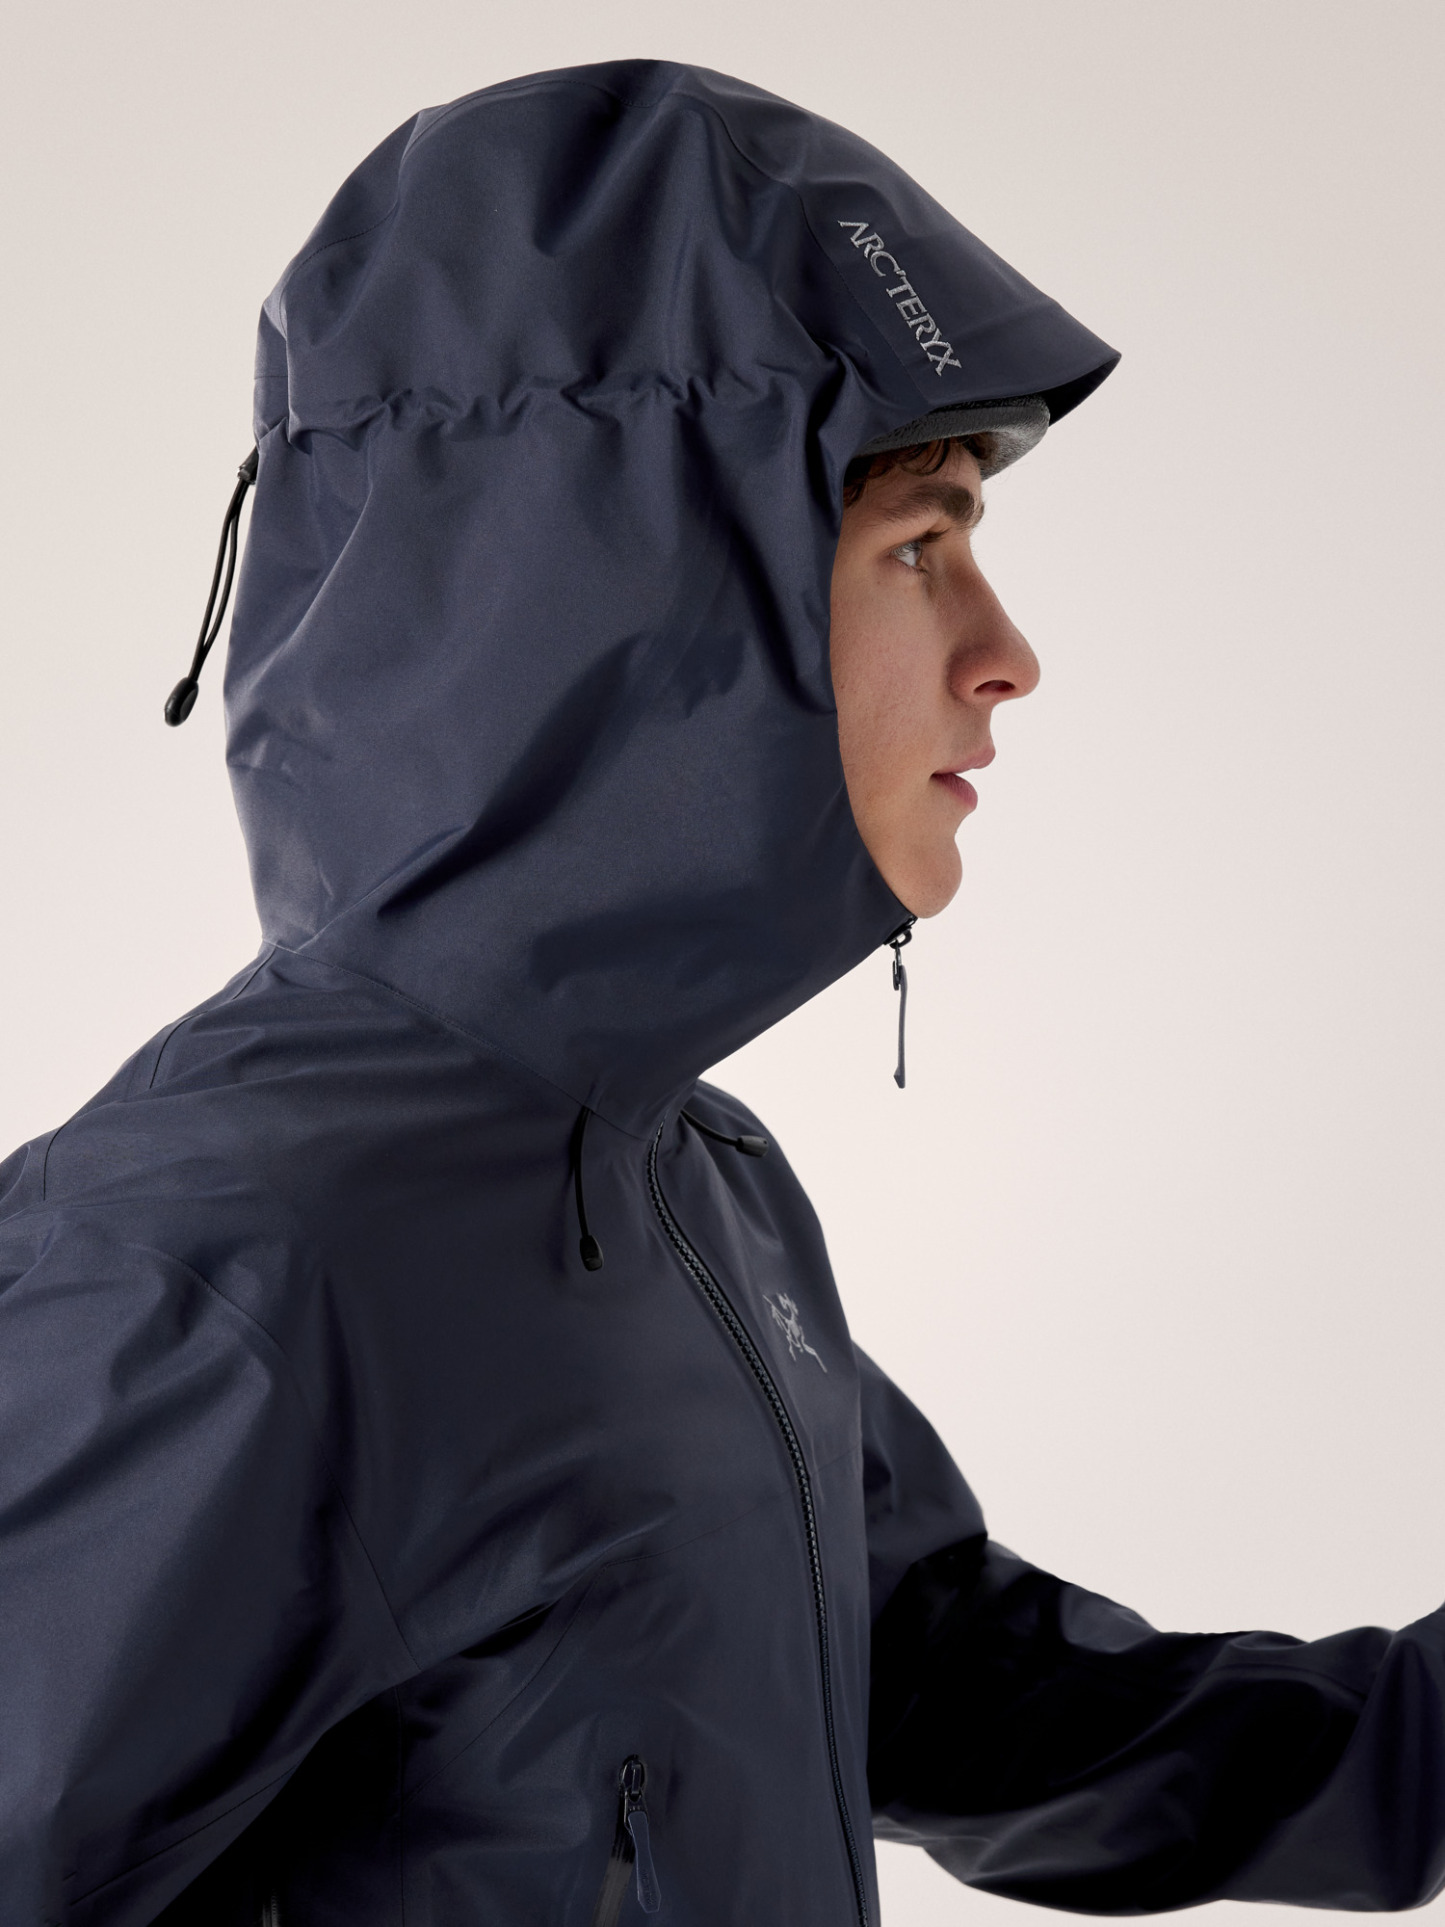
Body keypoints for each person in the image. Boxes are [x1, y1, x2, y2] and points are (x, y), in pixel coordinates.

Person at [3, 56, 1443, 1927]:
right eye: (917, 545)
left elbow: (972, 1698)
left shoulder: (694, 1180)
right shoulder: (205, 1269)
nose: (1005, 655)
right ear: (634, 598)